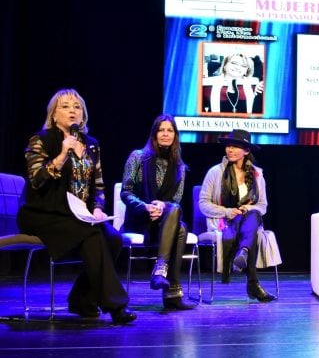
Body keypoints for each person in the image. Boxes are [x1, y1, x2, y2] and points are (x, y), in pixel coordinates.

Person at [16, 88, 136, 323]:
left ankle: (81, 300)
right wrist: (62, 155)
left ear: (83, 115)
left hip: (78, 215)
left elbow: (98, 185)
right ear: (53, 115)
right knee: (92, 235)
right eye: (65, 106)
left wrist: (99, 208)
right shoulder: (41, 140)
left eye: (77, 106)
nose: (72, 110)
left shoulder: (92, 145)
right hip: (44, 213)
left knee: (113, 238)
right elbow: (37, 179)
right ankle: (116, 306)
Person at [120, 114, 196, 310]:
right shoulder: (138, 157)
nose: (165, 134)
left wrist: (162, 207)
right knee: (180, 229)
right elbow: (125, 192)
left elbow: (175, 200)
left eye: (170, 130)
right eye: (161, 130)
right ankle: (172, 292)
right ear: (154, 134)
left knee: (176, 215)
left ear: (175, 136)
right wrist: (146, 207)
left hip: (164, 220)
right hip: (139, 219)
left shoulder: (179, 167)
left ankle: (161, 271)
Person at [199, 129, 276, 302]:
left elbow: (262, 205)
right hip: (223, 221)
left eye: (235, 146)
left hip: (249, 220)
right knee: (252, 229)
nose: (230, 150)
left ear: (246, 151)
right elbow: (203, 204)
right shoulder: (216, 172)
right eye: (228, 146)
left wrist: (247, 209)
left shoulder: (257, 175)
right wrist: (227, 211)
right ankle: (252, 281)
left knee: (253, 214)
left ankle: (243, 251)